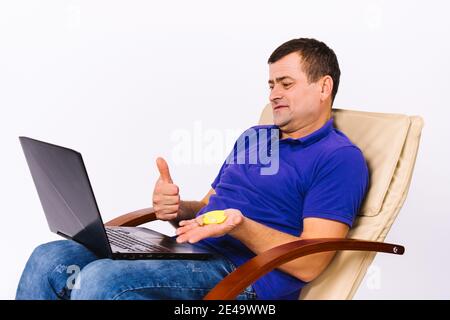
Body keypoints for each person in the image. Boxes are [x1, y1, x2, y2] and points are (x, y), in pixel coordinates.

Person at [16, 38, 369, 300]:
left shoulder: (339, 159)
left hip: (243, 277)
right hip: (190, 252)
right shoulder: (255, 137)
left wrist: (241, 226)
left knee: (100, 280)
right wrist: (176, 210)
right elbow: (208, 210)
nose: (274, 93)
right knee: (49, 257)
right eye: (271, 84)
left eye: (286, 84)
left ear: (324, 86)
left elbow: (310, 264)